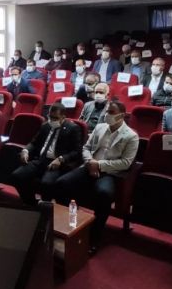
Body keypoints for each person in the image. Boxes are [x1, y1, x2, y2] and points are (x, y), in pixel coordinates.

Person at [53, 100, 139, 249]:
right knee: (62, 183)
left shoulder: (131, 136)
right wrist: (90, 161)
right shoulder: (100, 127)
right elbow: (86, 148)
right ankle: (73, 220)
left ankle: (95, 235)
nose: (107, 115)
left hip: (109, 172)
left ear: (122, 115)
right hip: (89, 166)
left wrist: (99, 165)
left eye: (111, 112)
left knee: (104, 194)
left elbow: (126, 163)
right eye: (107, 112)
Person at [9, 102, 82, 205]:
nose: (52, 120)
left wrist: (61, 159)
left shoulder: (73, 128)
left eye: (55, 118)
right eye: (50, 117)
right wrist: (26, 151)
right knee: (17, 176)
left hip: (55, 163)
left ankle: (45, 207)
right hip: (40, 160)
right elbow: (34, 143)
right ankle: (31, 202)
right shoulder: (46, 125)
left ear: (63, 117)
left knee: (46, 183)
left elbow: (77, 151)